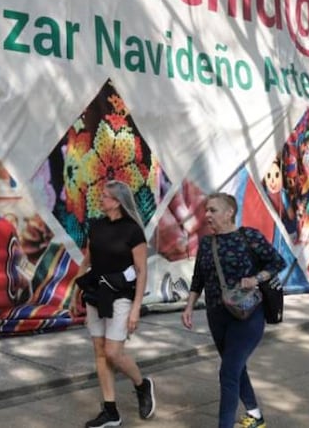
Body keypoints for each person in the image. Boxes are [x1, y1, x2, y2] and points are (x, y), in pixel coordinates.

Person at [180, 192, 285, 428]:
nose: (207, 215)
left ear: (229, 213)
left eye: (213, 210)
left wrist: (256, 278)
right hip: (216, 315)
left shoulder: (249, 237)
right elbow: (199, 279)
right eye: (206, 210)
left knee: (228, 372)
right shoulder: (207, 243)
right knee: (236, 367)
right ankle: (255, 416)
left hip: (248, 315)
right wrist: (189, 306)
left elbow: (277, 262)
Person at [74, 180, 155, 427]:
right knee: (99, 351)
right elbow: (86, 261)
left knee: (113, 352)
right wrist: (73, 294)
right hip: (96, 295)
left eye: (106, 197)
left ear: (118, 201)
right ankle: (111, 411)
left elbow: (141, 271)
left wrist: (136, 308)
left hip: (120, 296)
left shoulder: (132, 231)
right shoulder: (96, 226)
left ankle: (142, 385)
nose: (102, 200)